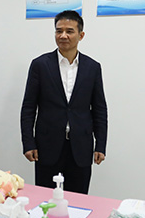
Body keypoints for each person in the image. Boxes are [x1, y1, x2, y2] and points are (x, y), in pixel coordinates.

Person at [20, 10, 108, 194]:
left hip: (81, 147)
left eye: (69, 31)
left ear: (81, 35)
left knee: (78, 199)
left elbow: (99, 109)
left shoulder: (92, 67)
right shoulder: (40, 65)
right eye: (59, 31)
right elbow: (28, 107)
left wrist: (100, 144)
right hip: (47, 146)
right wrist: (28, 143)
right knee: (45, 198)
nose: (63, 35)